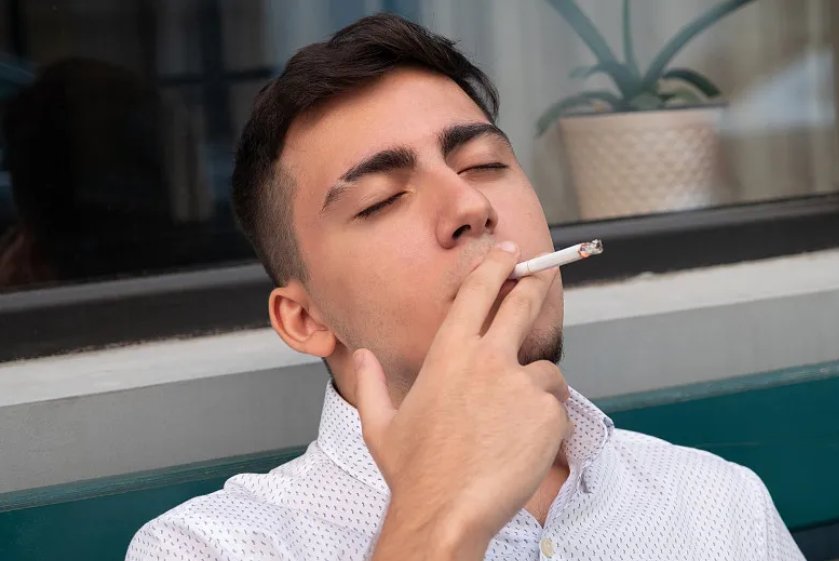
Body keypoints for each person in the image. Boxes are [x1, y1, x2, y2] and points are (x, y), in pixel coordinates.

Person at [127, 13, 803, 561]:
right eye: (381, 200)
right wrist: (434, 523)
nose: (469, 206)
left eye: (482, 164)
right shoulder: (210, 548)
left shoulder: (718, 503)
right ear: (304, 319)